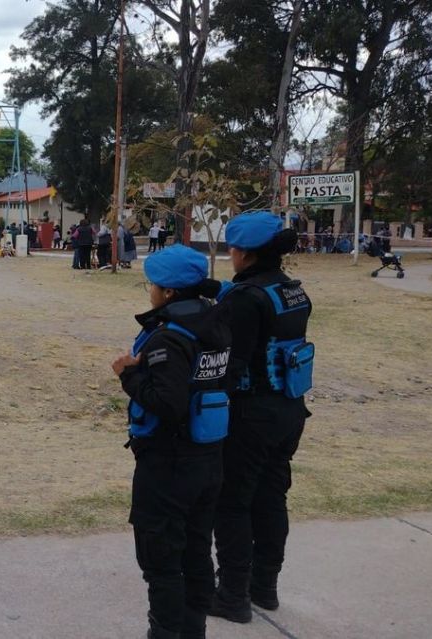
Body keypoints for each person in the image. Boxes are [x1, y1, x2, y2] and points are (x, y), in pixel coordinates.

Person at [112, 244, 230, 639]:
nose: (150, 291)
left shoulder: (167, 339)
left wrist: (128, 375)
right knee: (196, 552)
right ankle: (193, 631)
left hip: (169, 465)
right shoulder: (216, 324)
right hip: (208, 458)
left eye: (154, 284)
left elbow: (168, 403)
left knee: (161, 561)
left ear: (170, 293)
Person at [210, 212, 312, 624]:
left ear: (243, 252)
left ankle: (232, 596)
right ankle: (264, 588)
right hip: (289, 408)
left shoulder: (244, 298)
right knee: (272, 499)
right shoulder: (292, 290)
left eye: (233, 249)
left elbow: (232, 365)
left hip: (251, 414)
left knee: (233, 503)